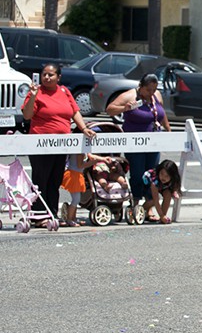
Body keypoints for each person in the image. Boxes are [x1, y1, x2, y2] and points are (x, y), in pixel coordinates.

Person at [21, 63, 97, 227]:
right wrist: (33, 95)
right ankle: (39, 216)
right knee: (41, 179)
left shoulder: (64, 91)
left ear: (58, 77)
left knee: (55, 179)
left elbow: (75, 111)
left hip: (62, 144)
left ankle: (52, 214)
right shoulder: (37, 92)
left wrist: (83, 128)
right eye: (44, 74)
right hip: (41, 143)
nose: (47, 77)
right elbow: (27, 115)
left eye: (51, 75)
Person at [106, 73, 170, 220]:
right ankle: (135, 203)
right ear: (141, 86)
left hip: (153, 141)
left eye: (154, 90)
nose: (151, 93)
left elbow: (161, 113)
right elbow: (110, 109)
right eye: (148, 90)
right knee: (138, 172)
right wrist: (125, 108)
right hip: (135, 142)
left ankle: (148, 206)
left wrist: (168, 130)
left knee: (152, 173)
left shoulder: (156, 96)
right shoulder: (130, 95)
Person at [60, 153, 109, 227]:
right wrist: (92, 162)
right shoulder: (80, 152)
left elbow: (91, 156)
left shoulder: (84, 150)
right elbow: (80, 165)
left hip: (77, 174)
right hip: (73, 175)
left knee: (76, 198)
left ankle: (73, 218)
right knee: (76, 199)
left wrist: (103, 159)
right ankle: (69, 219)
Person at [141, 159, 182, 224]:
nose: (163, 177)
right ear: (159, 171)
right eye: (162, 174)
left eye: (167, 176)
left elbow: (175, 185)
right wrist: (161, 215)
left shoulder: (174, 179)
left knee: (168, 194)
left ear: (172, 176)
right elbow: (156, 200)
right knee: (152, 201)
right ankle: (142, 209)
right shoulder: (155, 180)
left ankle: (163, 215)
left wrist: (174, 191)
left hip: (161, 185)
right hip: (147, 185)